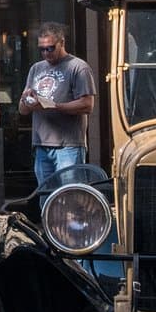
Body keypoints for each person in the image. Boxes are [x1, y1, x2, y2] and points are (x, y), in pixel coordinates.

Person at [20, 21, 95, 190]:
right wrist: (27, 101)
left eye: (50, 48)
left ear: (62, 43)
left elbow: (87, 105)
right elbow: (22, 110)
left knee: (70, 197)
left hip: (68, 145)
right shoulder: (36, 69)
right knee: (45, 198)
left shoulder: (78, 67)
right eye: (42, 49)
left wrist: (53, 106)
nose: (46, 53)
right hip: (41, 144)